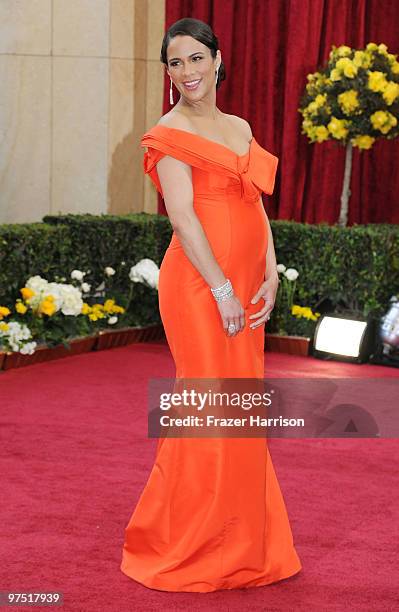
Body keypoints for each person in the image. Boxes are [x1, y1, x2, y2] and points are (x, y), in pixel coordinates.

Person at [121, 17, 302, 593]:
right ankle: (189, 541)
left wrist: (269, 271)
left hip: (247, 280)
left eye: (196, 58)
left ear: (218, 60)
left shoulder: (241, 126)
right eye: (175, 63)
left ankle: (244, 540)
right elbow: (184, 218)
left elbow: (255, 206)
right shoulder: (167, 133)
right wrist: (222, 288)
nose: (187, 72)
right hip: (200, 287)